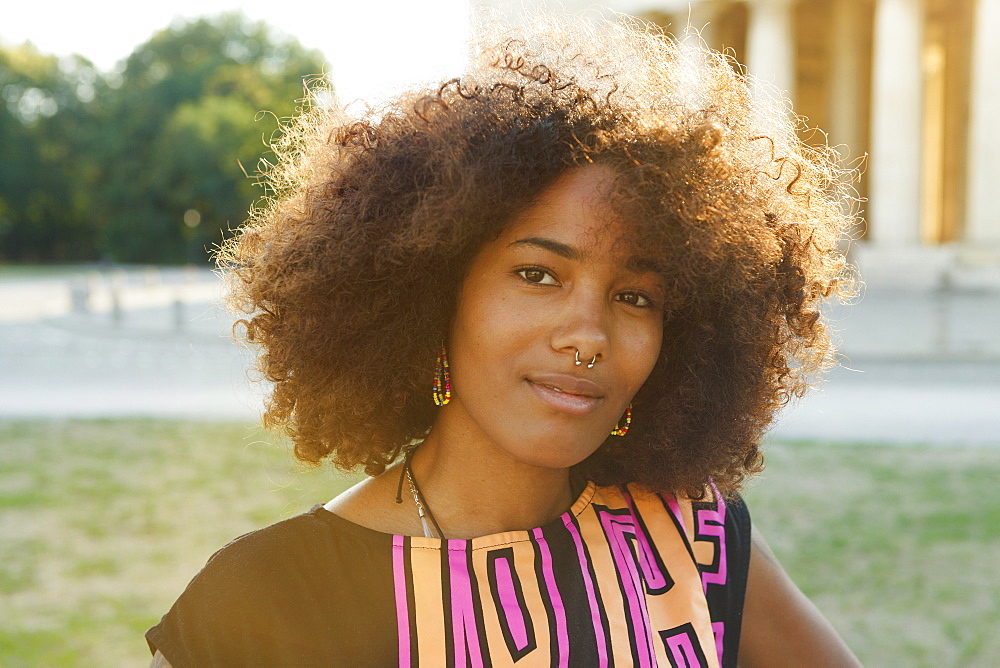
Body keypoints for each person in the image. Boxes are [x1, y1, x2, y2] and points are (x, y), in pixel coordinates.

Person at [147, 12, 860, 667]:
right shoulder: (265, 600)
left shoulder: (693, 538)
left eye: (635, 297)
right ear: (431, 292)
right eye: (538, 274)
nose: (588, 337)